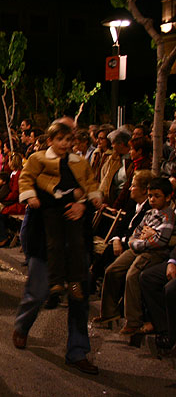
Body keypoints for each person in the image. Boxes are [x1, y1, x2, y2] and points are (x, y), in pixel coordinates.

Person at [19, 122, 102, 301]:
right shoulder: (38, 159)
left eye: (68, 140)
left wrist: (92, 196)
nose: (64, 143)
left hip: (73, 208)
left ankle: (74, 281)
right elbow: (25, 178)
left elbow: (89, 181)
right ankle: (55, 282)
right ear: (50, 141)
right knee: (54, 244)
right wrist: (30, 196)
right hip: (49, 209)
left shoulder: (78, 162)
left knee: (76, 244)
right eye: (60, 139)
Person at [93, 177, 175, 335]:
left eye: (157, 196)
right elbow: (136, 234)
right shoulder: (150, 212)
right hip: (139, 247)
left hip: (154, 253)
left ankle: (134, 321)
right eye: (150, 196)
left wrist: (143, 240)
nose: (152, 199)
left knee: (133, 275)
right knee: (112, 269)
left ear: (168, 197)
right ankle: (109, 312)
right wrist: (139, 241)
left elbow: (159, 242)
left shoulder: (168, 215)